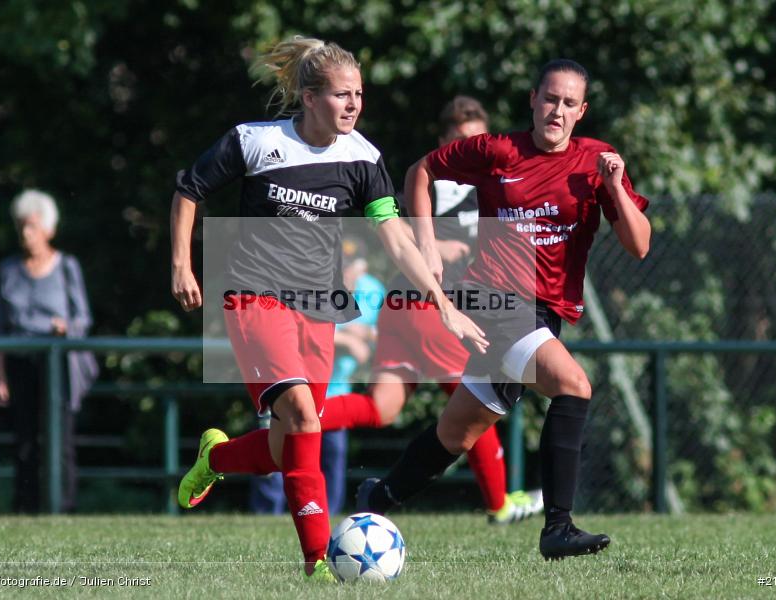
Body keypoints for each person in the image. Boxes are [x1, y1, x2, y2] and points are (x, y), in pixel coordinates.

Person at [170, 36, 486, 581]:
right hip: (255, 296)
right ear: (310, 97)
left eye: (359, 94)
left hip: (320, 306)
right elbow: (190, 189)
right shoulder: (256, 141)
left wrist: (442, 303)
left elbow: (395, 237)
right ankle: (317, 561)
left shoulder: (363, 158)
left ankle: (215, 459)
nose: (354, 104)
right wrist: (181, 264)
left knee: (289, 444)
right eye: (342, 94)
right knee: (301, 416)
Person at [356, 59, 651, 560]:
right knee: (574, 386)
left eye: (569, 103)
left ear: (582, 111)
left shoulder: (595, 161)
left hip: (545, 313)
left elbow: (639, 246)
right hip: (493, 301)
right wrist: (425, 244)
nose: (557, 111)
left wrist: (616, 188)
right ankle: (558, 527)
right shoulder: (497, 150)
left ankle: (378, 497)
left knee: (457, 432)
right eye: (550, 98)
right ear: (533, 99)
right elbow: (420, 171)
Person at [317, 96, 543, 524]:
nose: (471, 149)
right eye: (460, 141)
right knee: (476, 405)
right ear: (444, 143)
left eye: (478, 141)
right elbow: (386, 221)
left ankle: (299, 415)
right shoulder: (439, 180)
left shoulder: (494, 187)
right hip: (429, 309)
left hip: (402, 308)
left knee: (381, 407)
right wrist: (433, 244)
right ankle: (499, 505)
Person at [249, 237, 385, 515]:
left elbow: (385, 332)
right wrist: (347, 338)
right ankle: (266, 515)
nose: (344, 272)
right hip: (290, 388)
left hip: (335, 391)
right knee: (278, 450)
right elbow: (293, 332)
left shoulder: (373, 291)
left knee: (332, 459)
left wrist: (367, 335)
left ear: (362, 268)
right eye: (339, 265)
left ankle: (327, 518)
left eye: (349, 266)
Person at [0, 189, 94, 513]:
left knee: (60, 439)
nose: (26, 233)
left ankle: (64, 506)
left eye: (32, 226)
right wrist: (0, 376)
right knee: (24, 439)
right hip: (20, 361)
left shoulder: (67, 267)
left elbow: (83, 318)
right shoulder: (8, 270)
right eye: (22, 226)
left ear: (49, 229)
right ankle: (25, 506)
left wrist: (66, 328)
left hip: (57, 362)